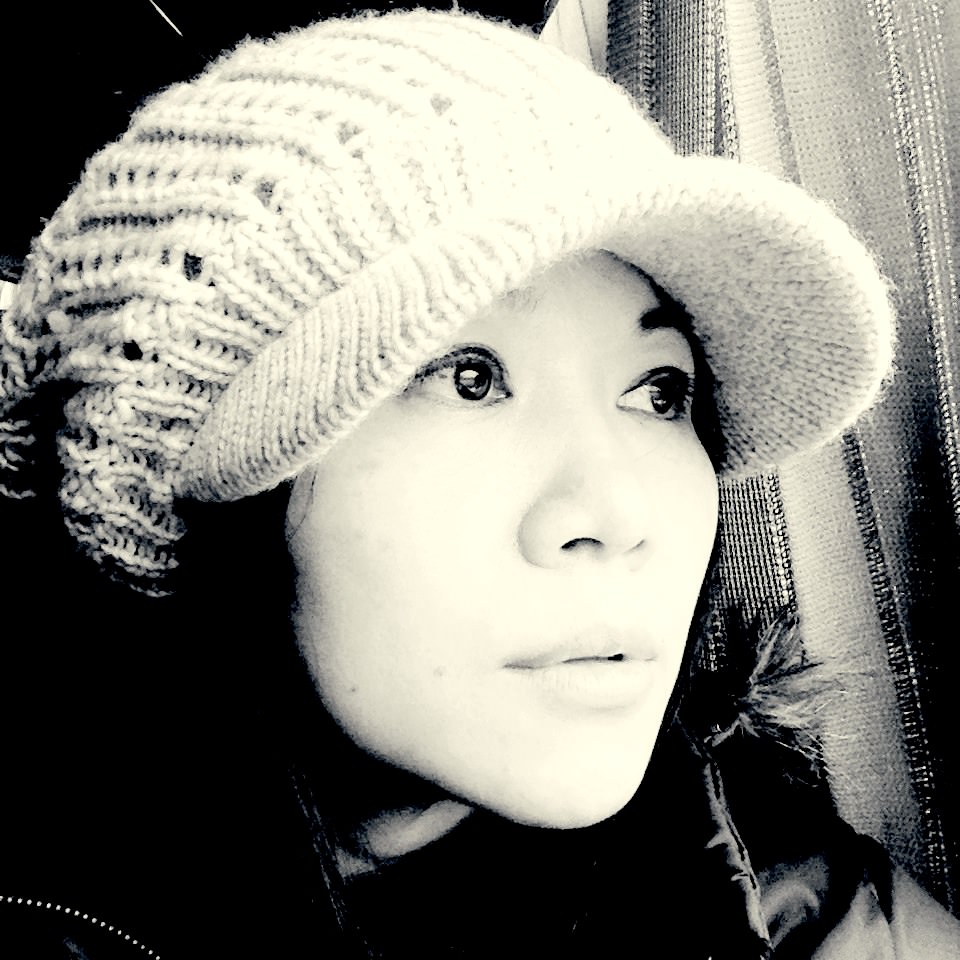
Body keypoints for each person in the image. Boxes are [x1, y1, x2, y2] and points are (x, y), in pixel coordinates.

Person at [1, 8, 957, 958]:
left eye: (660, 392)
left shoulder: (789, 896)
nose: (621, 514)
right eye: (470, 378)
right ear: (207, 494)